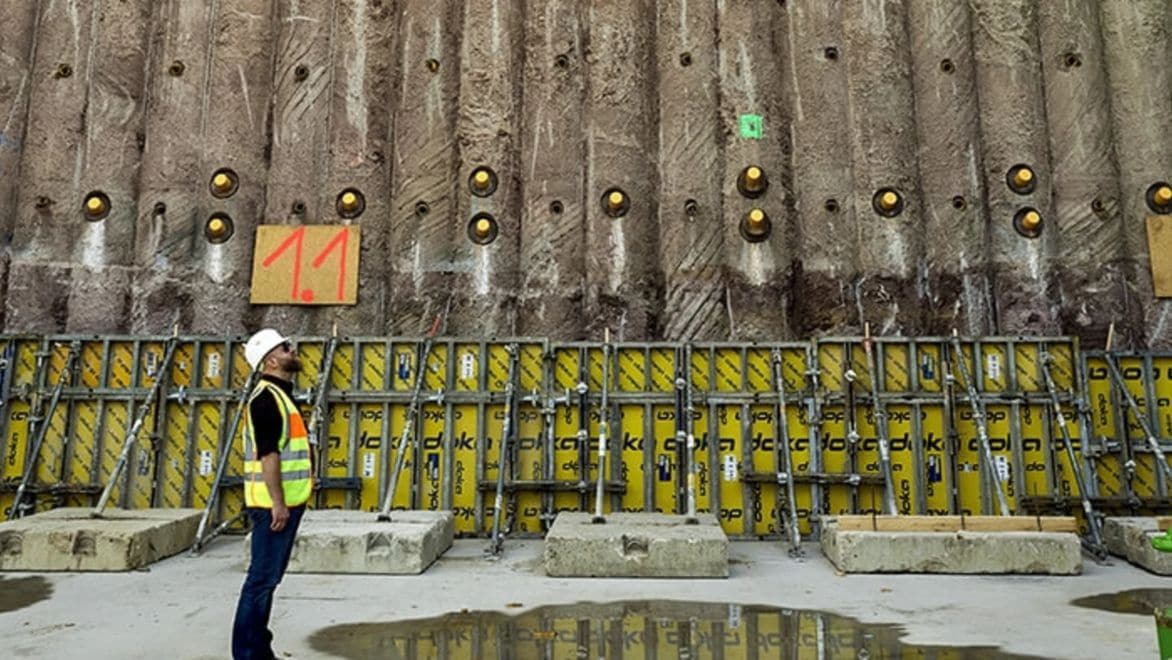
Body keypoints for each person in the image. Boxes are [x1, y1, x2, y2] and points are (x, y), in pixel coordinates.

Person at [231, 328, 311, 660]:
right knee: (261, 581)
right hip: (272, 507)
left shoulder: (281, 395)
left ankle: (259, 649)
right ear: (271, 359)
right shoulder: (266, 398)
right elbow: (269, 455)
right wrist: (278, 502)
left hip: (286, 502)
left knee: (268, 580)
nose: (293, 351)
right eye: (285, 347)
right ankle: (249, 654)